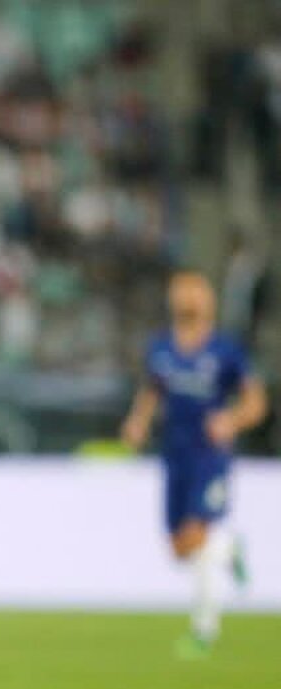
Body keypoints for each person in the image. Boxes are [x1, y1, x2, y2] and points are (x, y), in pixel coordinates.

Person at [121, 270, 268, 657]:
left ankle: (204, 631)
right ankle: (230, 548)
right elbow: (152, 391)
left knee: (196, 535)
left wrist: (230, 420)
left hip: (210, 458)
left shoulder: (225, 351)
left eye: (193, 291)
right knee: (179, 548)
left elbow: (256, 403)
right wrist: (138, 422)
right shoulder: (161, 348)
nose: (185, 297)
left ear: (208, 300)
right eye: (180, 290)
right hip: (175, 455)